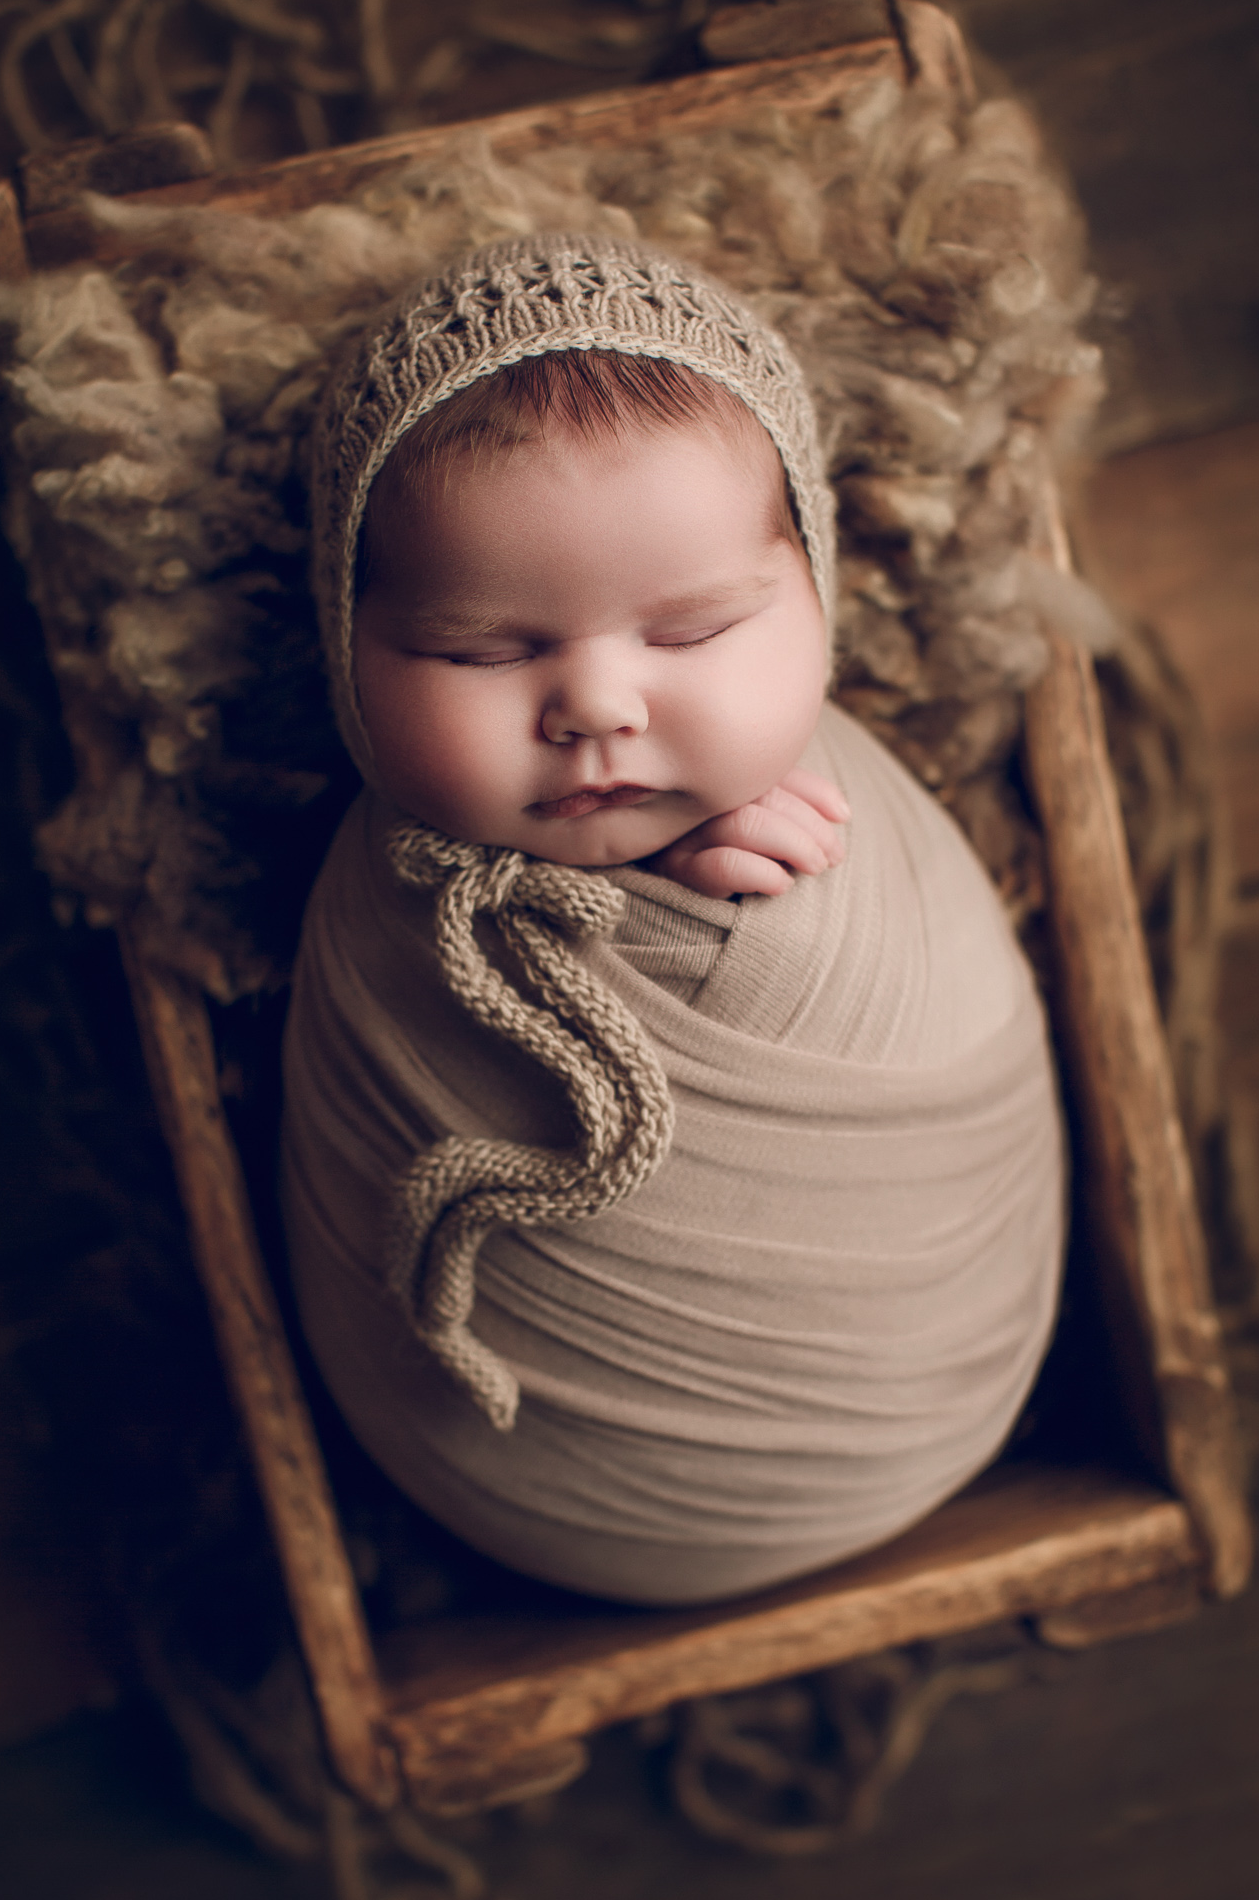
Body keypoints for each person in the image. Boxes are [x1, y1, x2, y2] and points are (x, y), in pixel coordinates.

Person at [281, 234, 1064, 1606]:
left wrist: (766, 905)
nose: (596, 706)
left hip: (926, 1401)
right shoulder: (392, 902)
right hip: (508, 1478)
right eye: (479, 649)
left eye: (694, 631)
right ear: (346, 648)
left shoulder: (848, 812)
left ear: (817, 588)